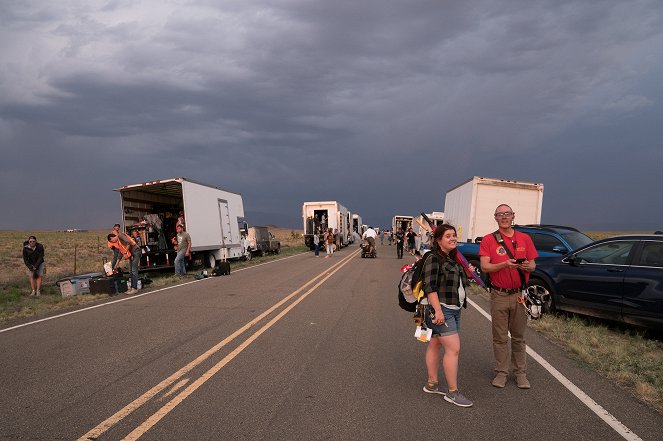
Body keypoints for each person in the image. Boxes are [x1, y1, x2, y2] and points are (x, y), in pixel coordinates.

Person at [479, 204, 538, 389]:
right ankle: (501, 373)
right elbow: (485, 267)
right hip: (499, 295)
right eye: (500, 214)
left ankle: (520, 373)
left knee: (519, 337)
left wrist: (529, 267)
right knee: (500, 337)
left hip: (519, 295)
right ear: (495, 218)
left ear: (513, 216)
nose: (504, 217)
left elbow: (533, 264)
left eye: (507, 214)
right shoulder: (489, 240)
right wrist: (504, 265)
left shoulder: (525, 238)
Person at [420, 224, 473, 407]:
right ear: (438, 240)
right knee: (454, 349)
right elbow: (429, 287)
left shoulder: (453, 258)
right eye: (448, 236)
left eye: (454, 235)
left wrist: (468, 273)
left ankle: (432, 384)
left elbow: (455, 283)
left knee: (434, 344)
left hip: (453, 308)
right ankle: (452, 393)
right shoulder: (433, 258)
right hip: (440, 309)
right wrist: (438, 311)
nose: (452, 238)